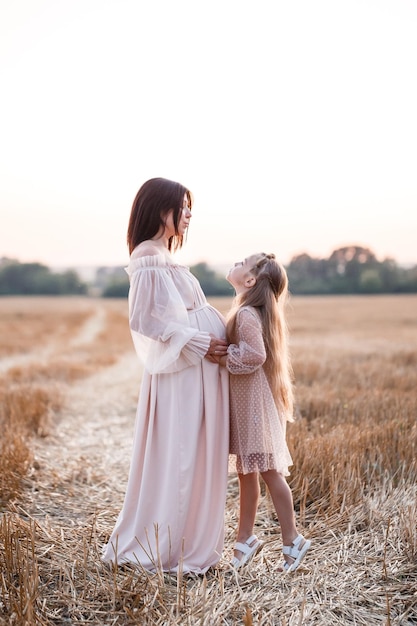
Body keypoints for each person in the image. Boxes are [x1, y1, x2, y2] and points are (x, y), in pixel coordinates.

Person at [102, 177, 230, 574]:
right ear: (161, 210)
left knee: (193, 452)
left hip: (195, 371)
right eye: (183, 207)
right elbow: (146, 318)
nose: (189, 215)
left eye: (190, 208)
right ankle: (166, 543)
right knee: (181, 454)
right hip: (183, 372)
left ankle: (188, 539)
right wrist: (199, 343)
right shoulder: (148, 255)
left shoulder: (160, 254)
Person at [216, 252, 311, 573]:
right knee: (248, 472)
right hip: (250, 405)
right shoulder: (250, 312)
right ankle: (245, 540)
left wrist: (223, 355)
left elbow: (254, 355)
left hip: (252, 407)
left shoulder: (245, 314)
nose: (235, 260)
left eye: (241, 260)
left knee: (269, 472)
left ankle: (293, 540)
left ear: (250, 280)